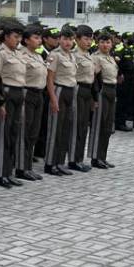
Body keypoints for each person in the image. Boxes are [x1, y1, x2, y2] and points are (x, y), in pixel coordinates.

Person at [0, 19, 27, 188]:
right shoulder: (0, 53)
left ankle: (8, 171)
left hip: (19, 93)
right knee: (3, 135)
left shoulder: (19, 53)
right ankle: (0, 173)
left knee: (14, 134)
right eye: (15, 36)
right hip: (6, 93)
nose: (18, 40)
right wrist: (1, 103)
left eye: (20, 37)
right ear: (5, 37)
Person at [45, 26, 78, 176]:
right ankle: (50, 163)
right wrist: (53, 99)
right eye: (65, 39)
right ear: (59, 40)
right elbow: (49, 79)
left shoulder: (71, 55)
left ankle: (59, 162)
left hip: (70, 91)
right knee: (55, 129)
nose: (68, 42)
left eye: (70, 39)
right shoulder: (54, 55)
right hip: (59, 90)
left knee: (65, 128)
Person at [18, 25, 46, 181]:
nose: (39, 40)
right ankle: (21, 167)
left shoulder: (38, 56)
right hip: (27, 93)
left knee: (33, 132)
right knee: (25, 131)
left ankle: (27, 166)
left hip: (38, 94)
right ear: (26, 40)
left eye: (39, 37)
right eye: (35, 38)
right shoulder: (21, 55)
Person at [89, 30, 118, 169]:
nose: (105, 45)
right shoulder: (96, 57)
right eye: (102, 42)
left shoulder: (111, 57)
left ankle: (103, 157)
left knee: (107, 126)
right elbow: (93, 78)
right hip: (102, 90)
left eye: (108, 42)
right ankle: (95, 158)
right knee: (99, 125)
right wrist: (94, 96)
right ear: (97, 43)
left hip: (112, 90)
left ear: (112, 44)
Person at [69, 25, 96, 171]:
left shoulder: (88, 54)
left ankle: (79, 157)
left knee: (83, 126)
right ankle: (73, 159)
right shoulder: (74, 54)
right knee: (76, 125)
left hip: (87, 90)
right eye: (86, 39)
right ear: (77, 39)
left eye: (91, 39)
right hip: (77, 89)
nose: (89, 42)